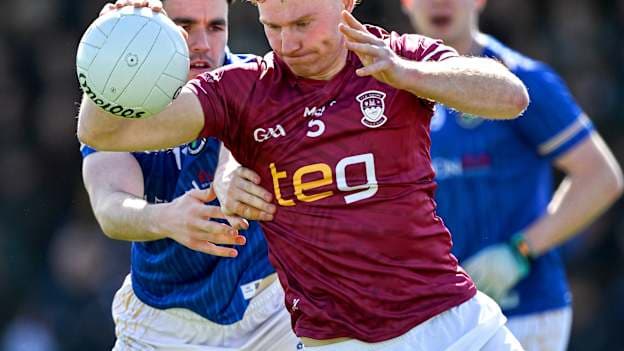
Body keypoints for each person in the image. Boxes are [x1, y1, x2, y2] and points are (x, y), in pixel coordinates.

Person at [77, 0, 531, 349]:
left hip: (452, 323)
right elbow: (107, 132)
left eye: (301, 24)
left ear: (347, 3)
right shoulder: (244, 90)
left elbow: (510, 96)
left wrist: (408, 74)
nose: (288, 44)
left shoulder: (396, 58)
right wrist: (113, 51)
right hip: (336, 342)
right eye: (272, 27)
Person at [399, 0, 624, 350]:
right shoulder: (388, 90)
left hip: (523, 310)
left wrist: (519, 251)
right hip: (433, 315)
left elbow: (600, 177)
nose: (439, 2)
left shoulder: (523, 81)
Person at [81, 0, 300, 349]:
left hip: (271, 314)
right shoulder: (120, 106)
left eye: (215, 27)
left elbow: (239, 147)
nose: (202, 43)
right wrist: (165, 218)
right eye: (184, 28)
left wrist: (230, 174)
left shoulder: (255, 78)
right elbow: (110, 206)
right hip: (163, 323)